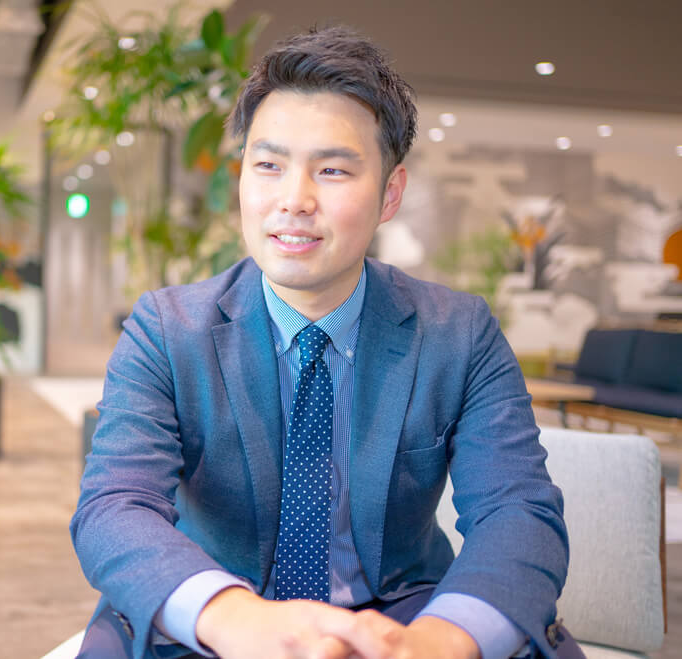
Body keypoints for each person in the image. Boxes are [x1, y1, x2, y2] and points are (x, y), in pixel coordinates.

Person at [71, 26, 581, 659]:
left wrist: (431, 645)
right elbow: (115, 505)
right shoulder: (167, 329)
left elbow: (518, 511)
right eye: (268, 166)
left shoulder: (458, 334)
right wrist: (239, 621)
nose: (293, 200)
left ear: (390, 192)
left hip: (400, 615)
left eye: (333, 170)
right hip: (218, 614)